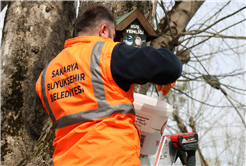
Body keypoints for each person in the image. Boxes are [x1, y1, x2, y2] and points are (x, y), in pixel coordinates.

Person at [36, 4, 182, 166]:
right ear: (104, 30)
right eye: (113, 37)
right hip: (112, 159)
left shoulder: (45, 76)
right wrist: (165, 76)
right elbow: (170, 66)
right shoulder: (105, 53)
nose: (113, 43)